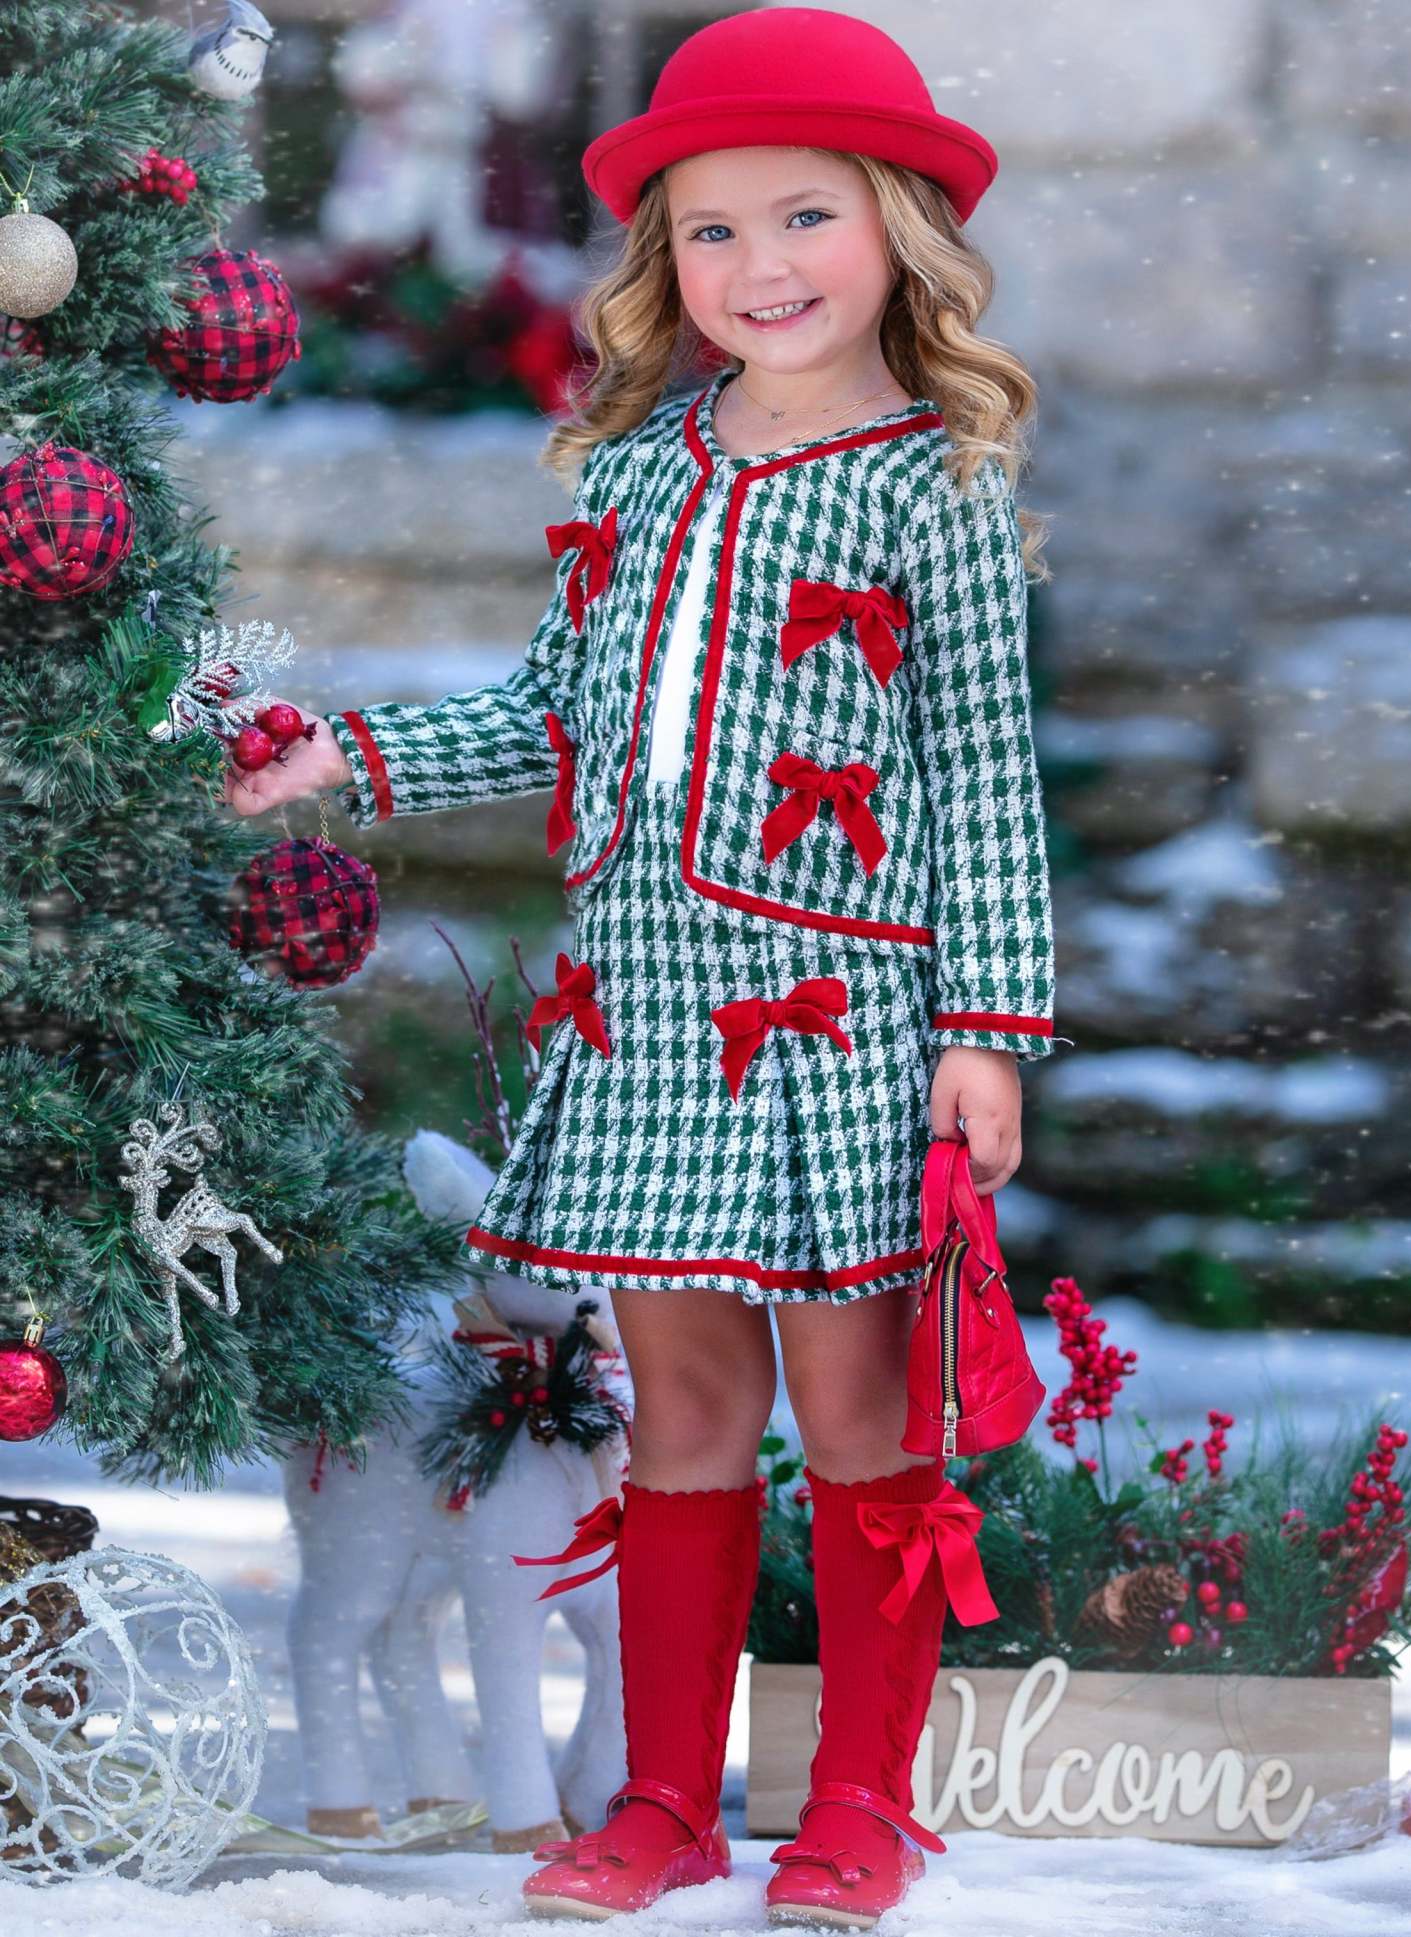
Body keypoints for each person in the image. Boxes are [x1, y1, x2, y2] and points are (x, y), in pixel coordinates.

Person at [225, 8, 1061, 1923]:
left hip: (840, 1020)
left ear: (898, 230)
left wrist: (989, 1029)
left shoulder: (926, 485)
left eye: (804, 217)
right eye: (710, 231)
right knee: (677, 1412)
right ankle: (665, 1797)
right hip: (645, 1015)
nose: (760, 266)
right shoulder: (631, 471)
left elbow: (983, 779)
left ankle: (857, 1805)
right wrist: (345, 755)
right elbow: (552, 709)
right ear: (660, 258)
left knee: (859, 1418)